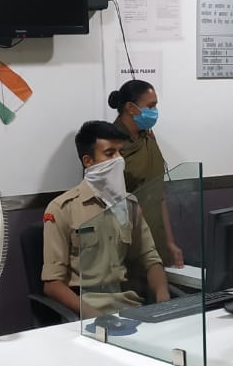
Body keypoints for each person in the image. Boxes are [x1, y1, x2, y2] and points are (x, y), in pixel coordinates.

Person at [42, 120, 170, 318]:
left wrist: (163, 299)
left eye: (120, 152)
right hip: (85, 314)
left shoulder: (129, 204)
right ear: (88, 161)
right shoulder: (62, 208)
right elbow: (52, 284)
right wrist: (95, 316)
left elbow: (150, 258)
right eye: (110, 154)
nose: (119, 160)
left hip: (129, 307)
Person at [108, 79, 184, 269]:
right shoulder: (110, 146)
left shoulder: (148, 137)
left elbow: (158, 194)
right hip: (126, 244)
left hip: (155, 237)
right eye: (151, 106)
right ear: (131, 108)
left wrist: (169, 242)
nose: (155, 111)